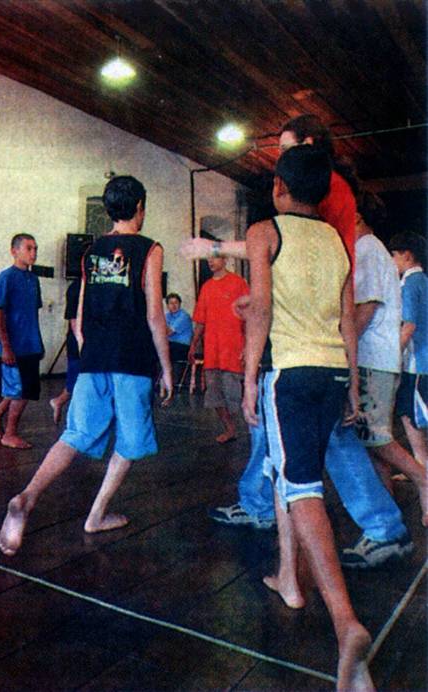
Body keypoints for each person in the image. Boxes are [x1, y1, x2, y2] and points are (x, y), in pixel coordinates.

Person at [180, 114, 413, 570]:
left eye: (286, 151)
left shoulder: (318, 202)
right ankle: (354, 526)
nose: (281, 162)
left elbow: (290, 263)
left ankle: (307, 556)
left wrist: (218, 253)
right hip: (328, 355)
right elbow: (317, 279)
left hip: (298, 353)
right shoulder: (328, 216)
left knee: (301, 460)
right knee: (325, 440)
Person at [245, 144, 374, 691]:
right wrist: (355, 385)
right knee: (291, 473)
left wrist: (248, 378)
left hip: (290, 375)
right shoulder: (336, 242)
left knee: (302, 489)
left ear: (279, 186)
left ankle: (346, 625)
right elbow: (347, 321)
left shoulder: (264, 233)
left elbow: (262, 309)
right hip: (333, 373)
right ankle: (288, 580)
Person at [0, 175, 172, 555]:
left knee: (75, 434)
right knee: (129, 440)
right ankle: (96, 515)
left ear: (108, 210)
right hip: (132, 359)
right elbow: (155, 315)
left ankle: (27, 496)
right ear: (140, 207)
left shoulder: (91, 251)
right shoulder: (150, 249)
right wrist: (167, 368)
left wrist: (87, 348)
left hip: (94, 358)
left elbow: (78, 318)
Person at [354, 203, 428, 525]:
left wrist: (388, 354)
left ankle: (423, 483)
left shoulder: (404, 278)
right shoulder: (417, 279)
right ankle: (389, 507)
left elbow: (405, 324)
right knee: (381, 436)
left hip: (398, 362)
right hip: (399, 362)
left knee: (391, 435)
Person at [0, 234, 44, 449]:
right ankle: (9, 434)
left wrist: (38, 342)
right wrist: (6, 347)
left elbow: (31, 314)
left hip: (31, 344)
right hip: (14, 346)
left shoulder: (34, 280)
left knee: (26, 388)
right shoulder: (6, 278)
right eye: (28, 248)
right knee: (20, 391)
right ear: (14, 251)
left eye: (35, 248)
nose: (33, 253)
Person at [188, 256, 248, 443]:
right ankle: (230, 429)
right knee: (214, 395)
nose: (210, 262)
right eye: (208, 259)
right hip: (212, 351)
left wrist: (248, 346)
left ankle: (248, 432)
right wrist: (193, 344)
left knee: (233, 395)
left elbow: (249, 318)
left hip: (233, 350)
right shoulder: (206, 287)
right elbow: (200, 321)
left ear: (225, 259)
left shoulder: (238, 283)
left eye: (214, 258)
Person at [389, 231, 428, 469]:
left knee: (410, 417)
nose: (392, 261)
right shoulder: (424, 280)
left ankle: (422, 469)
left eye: (393, 255)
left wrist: (391, 357)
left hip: (418, 363)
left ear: (407, 255)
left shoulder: (410, 284)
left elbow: (409, 325)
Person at [50, 278, 81, 424]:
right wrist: (81, 344)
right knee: (76, 381)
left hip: (89, 342)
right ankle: (60, 402)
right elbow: (73, 320)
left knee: (77, 382)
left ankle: (59, 401)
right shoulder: (76, 287)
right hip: (78, 344)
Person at [162, 292, 193, 392]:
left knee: (158, 349)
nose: (174, 305)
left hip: (182, 347)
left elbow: (168, 332)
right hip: (171, 345)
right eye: (171, 303)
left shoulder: (183, 316)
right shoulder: (167, 316)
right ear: (167, 305)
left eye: (176, 303)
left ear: (180, 304)